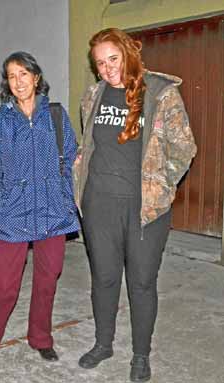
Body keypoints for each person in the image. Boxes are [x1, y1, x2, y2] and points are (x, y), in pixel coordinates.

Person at [74, 28, 197, 382]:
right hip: (99, 205)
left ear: (128, 53)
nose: (108, 68)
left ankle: (141, 355)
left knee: (141, 283)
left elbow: (184, 148)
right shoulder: (93, 96)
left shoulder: (160, 94)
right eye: (100, 63)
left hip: (145, 210)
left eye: (113, 58)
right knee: (104, 278)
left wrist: (162, 184)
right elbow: (90, 145)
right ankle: (103, 343)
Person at [0, 51, 80, 362]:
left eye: (24, 74)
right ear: (6, 83)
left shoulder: (57, 115)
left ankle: (40, 337)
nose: (19, 81)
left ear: (36, 77)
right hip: (13, 212)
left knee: (47, 280)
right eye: (12, 75)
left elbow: (70, 158)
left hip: (53, 211)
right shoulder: (0, 119)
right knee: (5, 285)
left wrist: (64, 198)